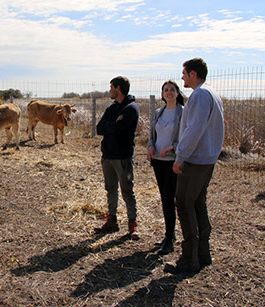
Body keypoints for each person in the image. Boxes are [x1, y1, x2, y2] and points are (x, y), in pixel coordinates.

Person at [164, 58, 224, 274]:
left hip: (195, 160)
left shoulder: (199, 95)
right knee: (198, 204)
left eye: (184, 73)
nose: (182, 77)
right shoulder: (212, 93)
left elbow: (194, 129)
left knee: (183, 204)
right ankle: (203, 254)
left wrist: (181, 156)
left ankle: (189, 260)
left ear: (192, 73)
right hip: (207, 159)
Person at [94, 76, 140, 240]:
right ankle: (112, 221)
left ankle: (132, 225)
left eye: (111, 87)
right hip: (108, 155)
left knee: (127, 190)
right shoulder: (112, 108)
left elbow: (118, 128)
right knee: (110, 189)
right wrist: (111, 125)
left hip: (122, 156)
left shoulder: (131, 108)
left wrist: (110, 126)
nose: (109, 90)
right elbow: (100, 128)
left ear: (118, 88)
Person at [147, 80, 185, 255]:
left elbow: (187, 136)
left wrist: (173, 147)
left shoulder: (183, 113)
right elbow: (151, 135)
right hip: (157, 161)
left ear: (177, 93)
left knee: (170, 198)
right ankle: (169, 235)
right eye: (166, 90)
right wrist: (150, 146)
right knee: (164, 197)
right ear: (162, 94)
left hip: (172, 161)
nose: (169, 92)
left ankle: (170, 238)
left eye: (172, 89)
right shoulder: (158, 113)